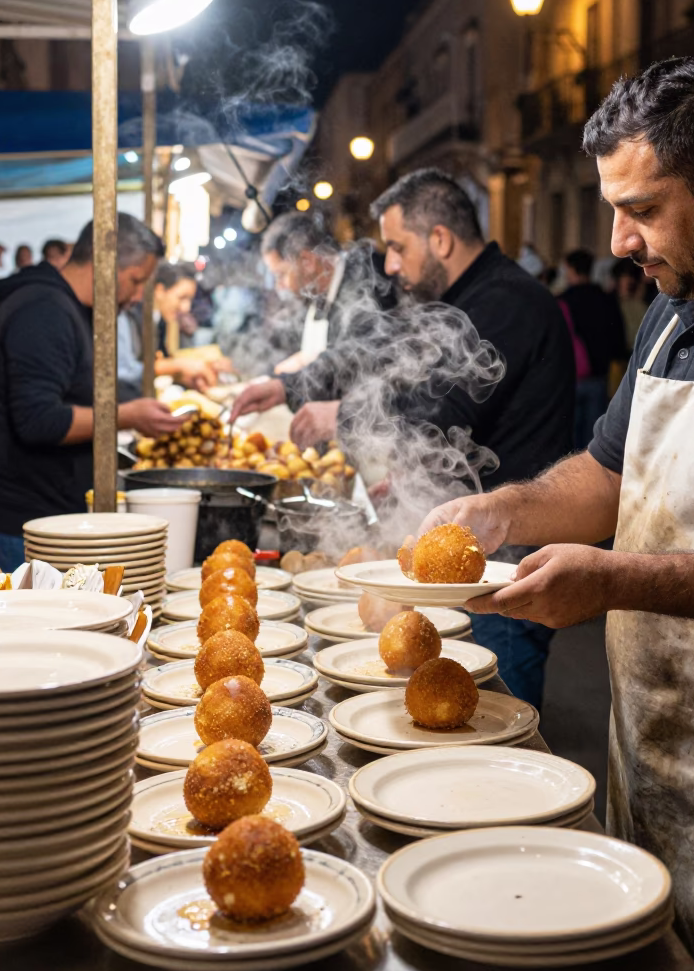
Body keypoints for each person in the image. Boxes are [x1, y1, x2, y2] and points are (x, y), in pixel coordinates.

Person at [421, 57, 694, 971]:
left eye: (638, 207)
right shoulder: (675, 307)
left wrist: (612, 581)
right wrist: (500, 513)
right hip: (653, 755)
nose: (616, 240)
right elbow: (607, 475)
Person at [232, 169, 575, 706]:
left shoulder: (508, 302)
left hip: (504, 564)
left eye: (397, 247)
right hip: (461, 551)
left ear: (439, 238)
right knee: (448, 708)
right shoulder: (451, 298)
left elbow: (442, 411)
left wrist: (341, 417)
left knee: (497, 722)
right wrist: (287, 386)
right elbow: (371, 352)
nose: (389, 264)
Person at [0, 213, 180, 570]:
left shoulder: (67, 307)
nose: (138, 297)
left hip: (43, 514)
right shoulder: (43, 311)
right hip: (20, 526)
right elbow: (39, 420)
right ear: (105, 263)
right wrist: (129, 415)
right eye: (135, 281)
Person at [260, 211, 392, 375]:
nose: (279, 287)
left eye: (281, 275)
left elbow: (356, 357)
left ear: (307, 261)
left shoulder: (366, 281)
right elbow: (287, 342)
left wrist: (295, 378)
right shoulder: (313, 293)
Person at [117, 261, 222, 398]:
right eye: (182, 298)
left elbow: (161, 358)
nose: (186, 308)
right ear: (160, 290)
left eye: (190, 300)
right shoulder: (128, 315)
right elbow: (126, 370)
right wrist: (178, 366)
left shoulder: (161, 321)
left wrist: (184, 376)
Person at [559, 248, 627, 447]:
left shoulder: (563, 300)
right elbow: (618, 337)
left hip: (570, 377)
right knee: (593, 438)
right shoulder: (605, 299)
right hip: (599, 375)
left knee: (569, 437)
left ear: (570, 270)